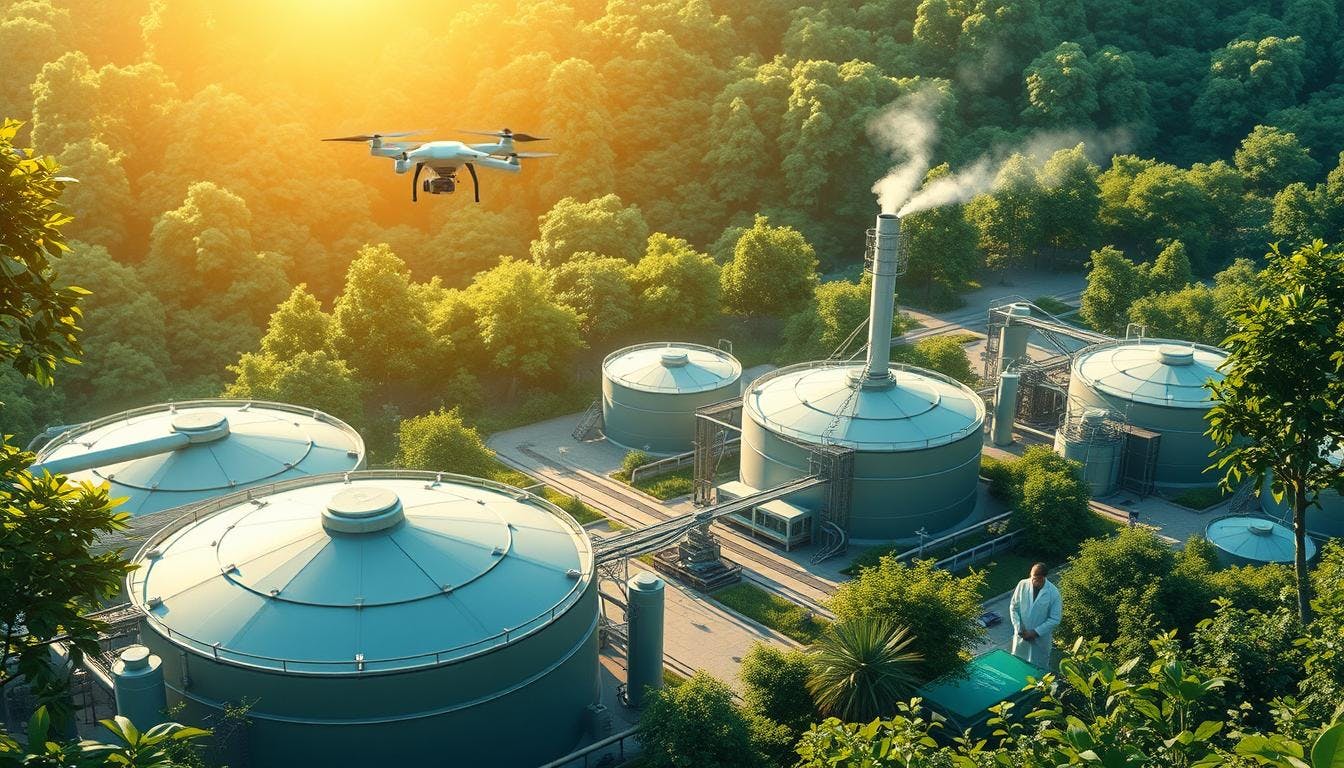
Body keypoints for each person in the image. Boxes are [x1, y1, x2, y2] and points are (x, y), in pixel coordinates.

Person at [1009, 562, 1061, 668]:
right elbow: (1014, 608)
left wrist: (1035, 632)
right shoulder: (1022, 584)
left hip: (1039, 641)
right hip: (1021, 636)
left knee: (1038, 670)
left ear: (1042, 578)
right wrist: (1019, 628)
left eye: (1035, 578)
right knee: (1018, 665)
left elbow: (1055, 619)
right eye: (1031, 576)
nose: (1031, 580)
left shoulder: (1053, 593)